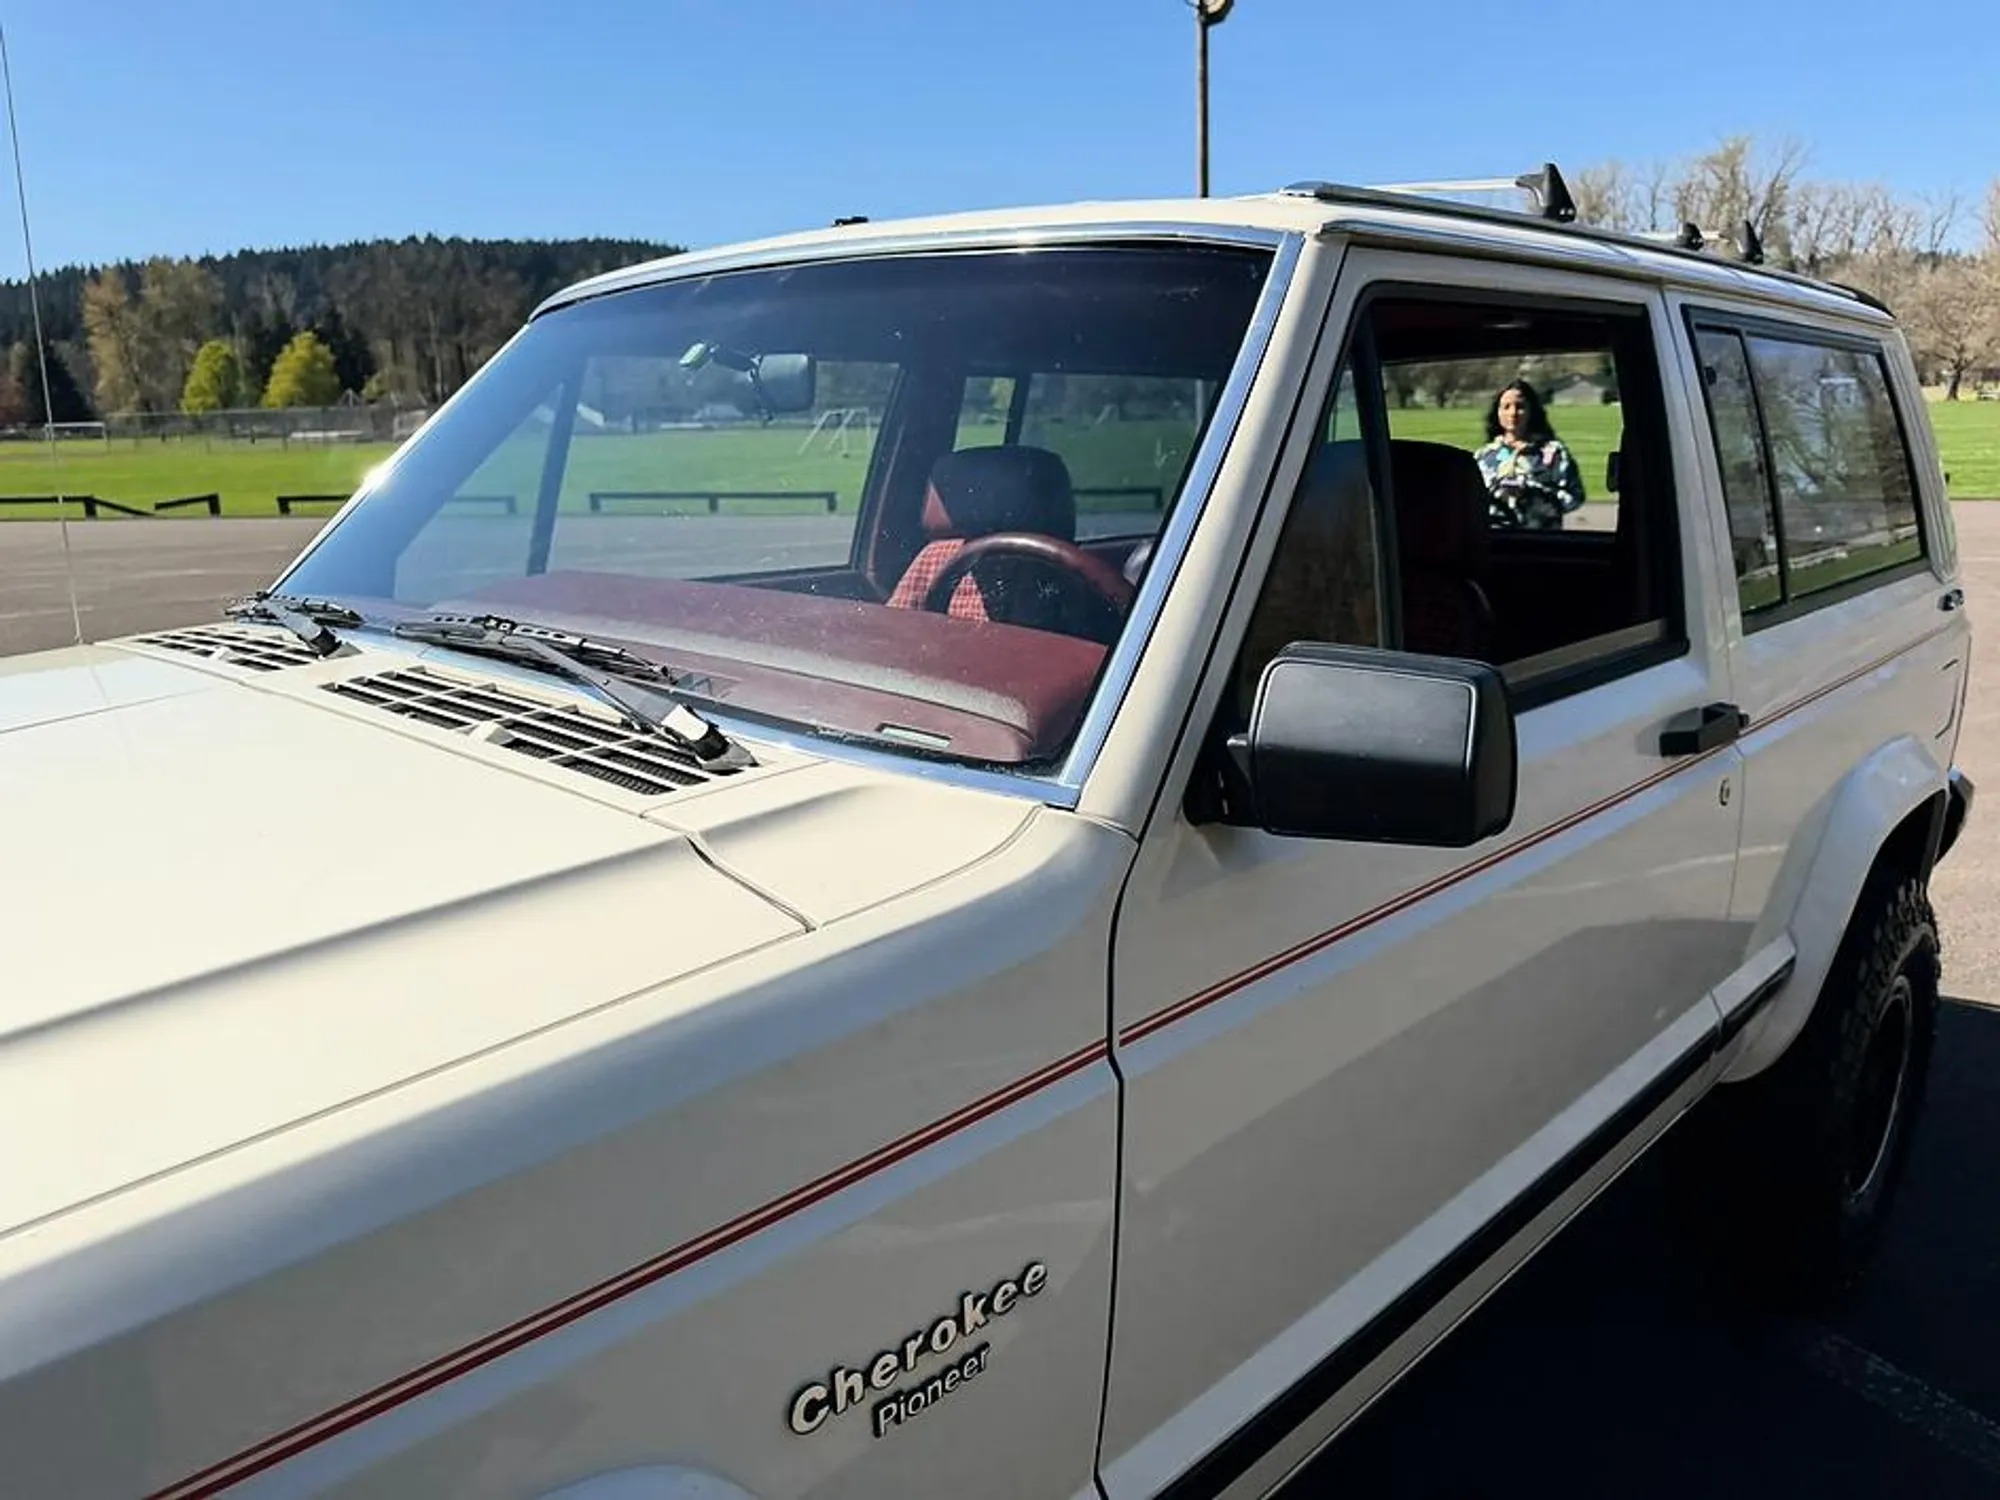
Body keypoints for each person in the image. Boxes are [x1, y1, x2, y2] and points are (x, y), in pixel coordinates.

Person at [1474, 379, 1584, 530]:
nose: (1512, 413)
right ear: (1497, 412)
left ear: (1532, 410)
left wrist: (1534, 494)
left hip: (1540, 541)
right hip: (1496, 541)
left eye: (1520, 406)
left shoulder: (1553, 453)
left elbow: (1575, 497)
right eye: (1506, 407)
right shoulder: (1484, 457)